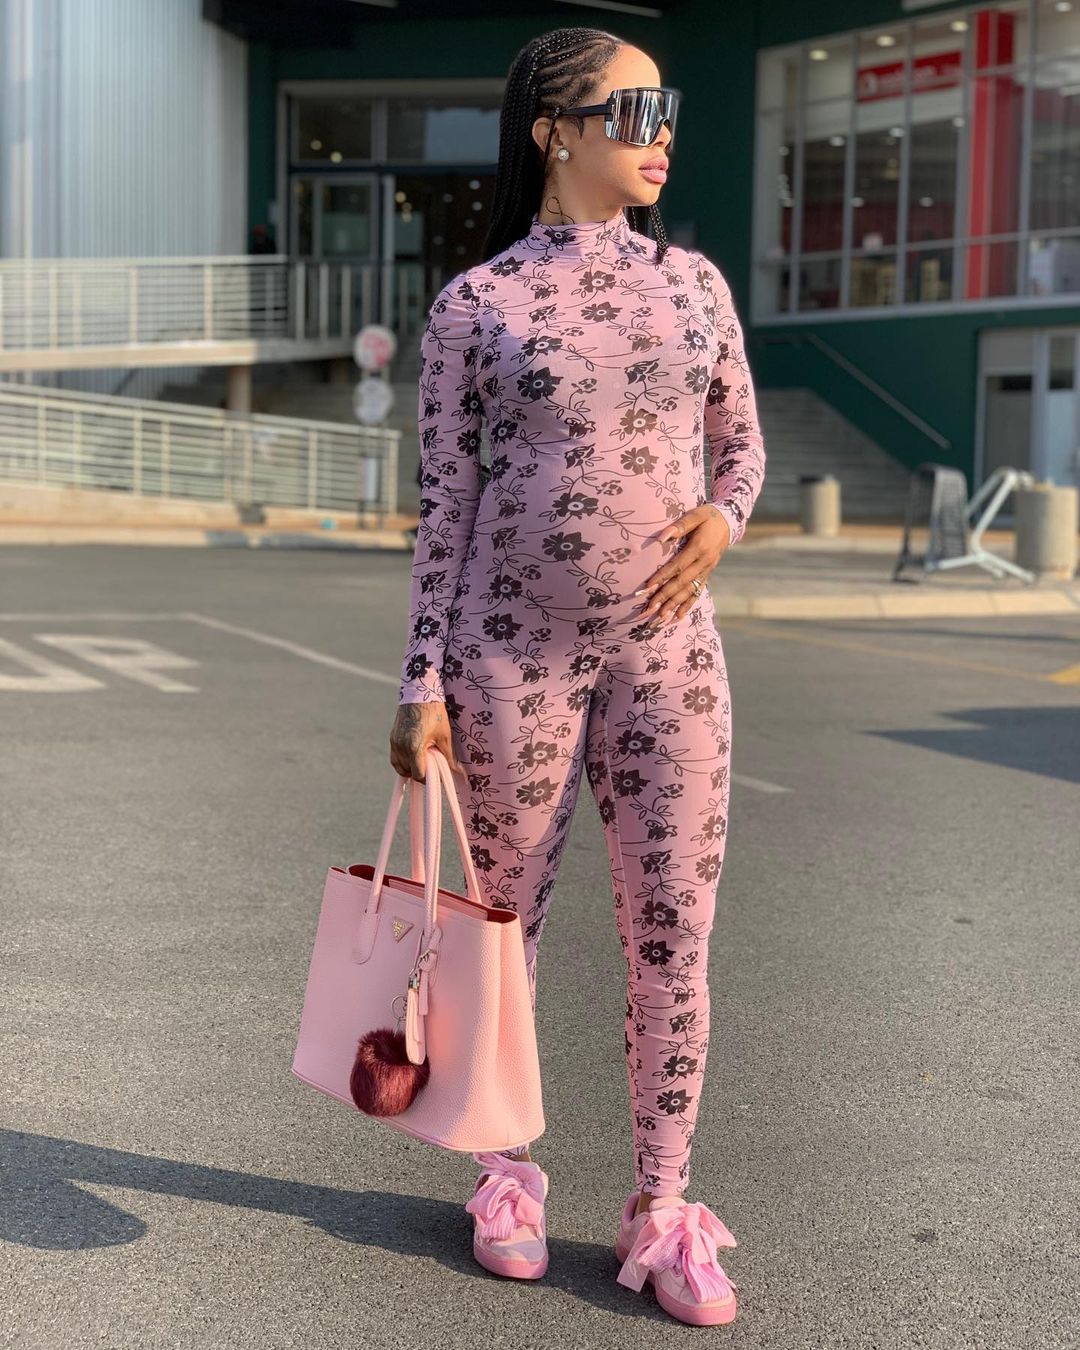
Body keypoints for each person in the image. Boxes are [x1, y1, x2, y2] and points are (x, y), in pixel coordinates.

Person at [388, 26, 765, 1327]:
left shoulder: (695, 287)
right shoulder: (476, 306)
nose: (663, 135)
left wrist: (722, 519)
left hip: (673, 655)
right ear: (555, 130)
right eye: (635, 111)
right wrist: (419, 679)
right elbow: (446, 503)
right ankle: (506, 1173)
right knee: (507, 936)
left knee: (675, 931)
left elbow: (741, 448)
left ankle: (664, 1205)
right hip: (510, 653)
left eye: (669, 109)